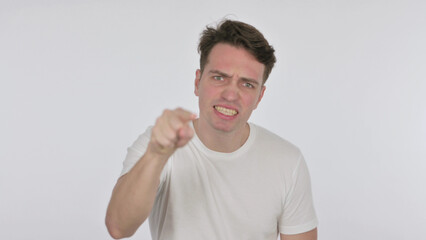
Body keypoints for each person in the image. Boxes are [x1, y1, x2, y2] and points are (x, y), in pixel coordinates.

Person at [106, 19, 318, 240]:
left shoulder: (287, 161)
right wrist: (156, 155)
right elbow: (119, 227)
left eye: (247, 84)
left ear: (259, 97)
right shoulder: (159, 142)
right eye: (219, 77)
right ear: (197, 82)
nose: (230, 94)